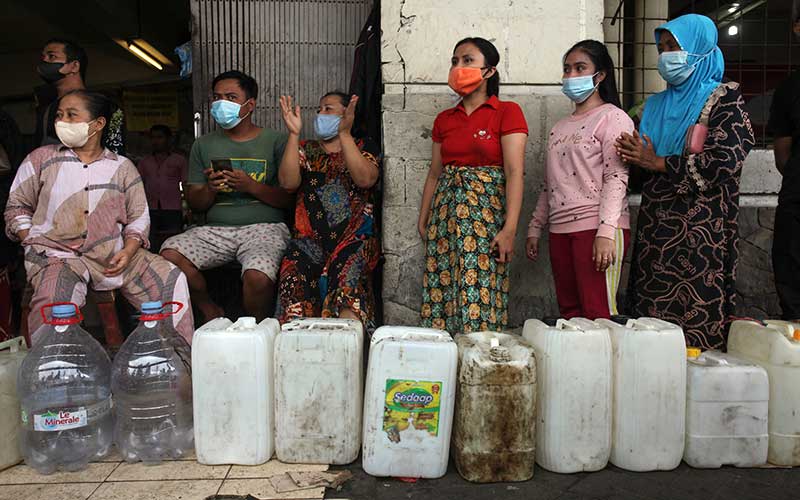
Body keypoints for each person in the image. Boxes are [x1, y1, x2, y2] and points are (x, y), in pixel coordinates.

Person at [4, 90, 194, 345]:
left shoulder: (122, 167)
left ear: (98, 124)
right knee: (54, 301)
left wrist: (128, 250)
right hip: (56, 255)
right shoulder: (41, 159)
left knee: (171, 280)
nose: (62, 121)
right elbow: (17, 206)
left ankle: (178, 358)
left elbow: (138, 217)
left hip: (113, 254)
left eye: (72, 115)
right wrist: (31, 240)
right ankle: (53, 371)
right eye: (59, 115)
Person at [616, 14, 755, 349]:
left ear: (699, 49)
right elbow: (637, 168)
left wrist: (658, 162)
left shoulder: (725, 100)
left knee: (695, 326)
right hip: (656, 234)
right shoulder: (654, 106)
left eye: (674, 47)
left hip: (701, 237)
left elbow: (723, 162)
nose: (666, 56)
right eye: (661, 48)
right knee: (650, 330)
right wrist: (635, 156)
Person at [161, 71, 292, 323]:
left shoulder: (276, 141)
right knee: (169, 256)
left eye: (231, 97)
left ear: (250, 104)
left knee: (258, 276)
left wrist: (250, 186)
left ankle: (257, 328)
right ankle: (209, 309)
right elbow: (197, 205)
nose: (222, 104)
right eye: (218, 97)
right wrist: (210, 187)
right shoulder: (204, 145)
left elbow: (289, 200)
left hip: (264, 229)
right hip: (215, 231)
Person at [417, 37, 528, 334]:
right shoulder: (445, 119)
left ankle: (479, 367)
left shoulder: (507, 112)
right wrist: (424, 216)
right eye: (455, 61)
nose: (459, 67)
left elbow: (515, 172)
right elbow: (434, 173)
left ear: (489, 71)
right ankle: (445, 366)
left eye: (468, 60)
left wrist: (509, 229)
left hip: (486, 220)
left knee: (480, 292)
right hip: (445, 218)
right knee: (442, 292)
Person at [526, 40, 633, 320]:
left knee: (599, 314)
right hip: (560, 229)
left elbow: (616, 176)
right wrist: (536, 227)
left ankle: (606, 365)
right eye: (567, 69)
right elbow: (550, 183)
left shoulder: (613, 118)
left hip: (596, 228)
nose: (571, 75)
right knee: (570, 316)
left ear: (601, 75)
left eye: (580, 68)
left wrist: (606, 232)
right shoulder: (559, 127)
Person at [276, 92, 381, 327]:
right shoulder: (306, 149)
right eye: (319, 109)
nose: (321, 114)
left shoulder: (365, 146)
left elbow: (365, 179)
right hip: (309, 242)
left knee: (348, 281)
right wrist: (293, 134)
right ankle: (298, 350)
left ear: (347, 114)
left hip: (354, 239)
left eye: (328, 109)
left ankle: (346, 350)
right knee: (293, 274)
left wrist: (345, 133)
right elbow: (288, 183)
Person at [34, 38, 125, 154]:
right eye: (43, 58)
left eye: (52, 57)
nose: (45, 62)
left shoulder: (105, 106)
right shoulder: (47, 110)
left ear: (75, 66)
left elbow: (116, 152)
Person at [768, 8, 800, 321]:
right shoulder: (789, 89)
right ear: (796, 28)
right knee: (792, 285)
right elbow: (782, 155)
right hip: (796, 202)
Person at [136, 124, 187, 251]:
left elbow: (186, 184)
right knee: (150, 243)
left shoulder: (179, 160)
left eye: (160, 137)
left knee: (173, 244)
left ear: (168, 139)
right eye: (153, 137)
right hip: (150, 209)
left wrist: (189, 209)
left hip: (173, 209)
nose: (156, 141)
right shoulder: (144, 162)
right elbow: (137, 187)